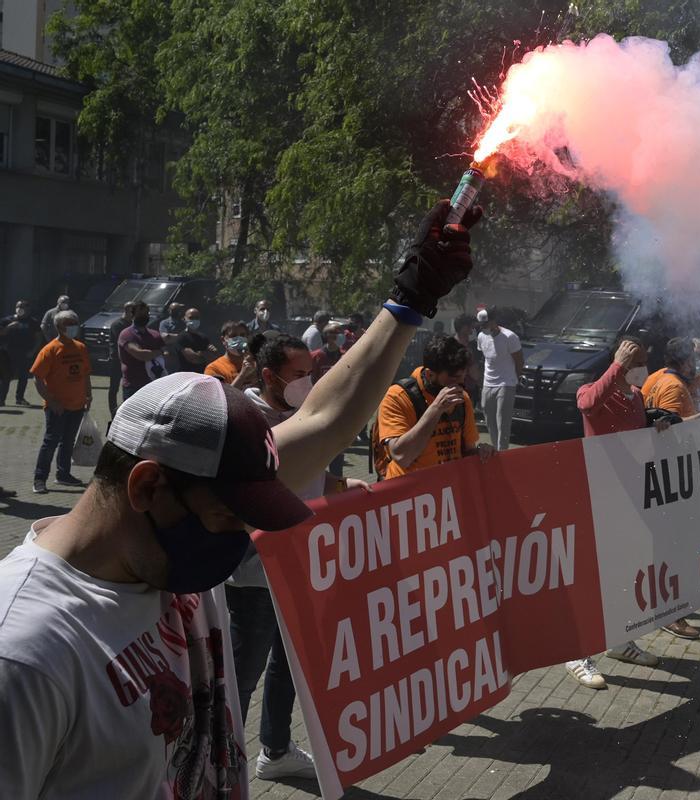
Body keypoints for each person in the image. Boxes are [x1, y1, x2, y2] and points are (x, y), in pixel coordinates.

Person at [0, 198, 482, 798]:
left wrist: (410, 300)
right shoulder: (23, 657)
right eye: (230, 516)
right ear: (147, 486)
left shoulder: (165, 545)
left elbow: (327, 418)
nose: (241, 537)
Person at [226, 333, 367, 780]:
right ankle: (222, 763)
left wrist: (343, 489)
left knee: (289, 664)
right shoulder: (242, 420)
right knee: (242, 676)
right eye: (299, 375)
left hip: (301, 564)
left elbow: (307, 477)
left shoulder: (301, 414)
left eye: (312, 373)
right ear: (268, 376)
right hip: (254, 571)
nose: (310, 382)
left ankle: (276, 749)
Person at [565, 336, 670, 688]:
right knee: (594, 576)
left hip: (631, 496)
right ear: (624, 364)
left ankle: (621, 641)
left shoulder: (637, 397)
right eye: (638, 363)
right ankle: (577, 652)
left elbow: (635, 437)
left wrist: (655, 429)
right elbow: (587, 404)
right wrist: (617, 367)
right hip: (599, 496)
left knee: (627, 570)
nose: (644, 369)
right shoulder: (596, 390)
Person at [643, 337, 700, 639]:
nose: (697, 364)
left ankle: (671, 607)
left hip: (666, 478)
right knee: (681, 546)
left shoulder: (655, 378)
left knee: (673, 545)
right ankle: (673, 614)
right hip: (674, 478)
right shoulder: (675, 387)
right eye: (693, 359)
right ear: (685, 361)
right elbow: (668, 429)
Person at [374, 334, 493, 480]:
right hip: (408, 493)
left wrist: (481, 452)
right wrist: (436, 409)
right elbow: (402, 456)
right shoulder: (398, 397)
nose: (461, 384)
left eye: (463, 377)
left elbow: (466, 451)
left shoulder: (462, 398)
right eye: (454, 378)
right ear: (430, 375)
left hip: (445, 490)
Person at [29, 310, 91, 494]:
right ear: (59, 327)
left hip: (77, 405)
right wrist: (51, 400)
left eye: (75, 322)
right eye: (70, 324)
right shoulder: (50, 349)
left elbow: (85, 373)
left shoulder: (80, 347)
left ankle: (63, 475)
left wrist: (88, 394)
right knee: (50, 442)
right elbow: (37, 378)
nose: (74, 327)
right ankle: (39, 479)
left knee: (68, 441)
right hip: (58, 408)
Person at [476, 308, 523, 450]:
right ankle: (495, 450)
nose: (483, 328)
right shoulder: (481, 336)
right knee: (489, 420)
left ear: (493, 321)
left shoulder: (510, 337)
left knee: (502, 420)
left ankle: (503, 451)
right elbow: (485, 359)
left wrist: (516, 379)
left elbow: (519, 361)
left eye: (486, 324)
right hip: (488, 383)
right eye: (481, 325)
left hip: (506, 382)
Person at [118, 301, 168, 401]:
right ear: (133, 314)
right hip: (133, 385)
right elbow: (141, 355)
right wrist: (159, 352)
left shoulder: (155, 335)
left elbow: (167, 353)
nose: (144, 316)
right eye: (140, 313)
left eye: (146, 313)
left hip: (154, 385)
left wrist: (158, 353)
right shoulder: (127, 334)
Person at [0, 300, 40, 406]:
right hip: (7, 353)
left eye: (23, 307)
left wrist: (33, 351)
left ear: (28, 309)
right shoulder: (7, 320)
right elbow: (1, 333)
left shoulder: (33, 322)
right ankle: (1, 399)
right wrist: (9, 327)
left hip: (25, 353)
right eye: (18, 306)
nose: (20, 309)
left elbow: (38, 337)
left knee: (23, 377)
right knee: (5, 377)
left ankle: (20, 398)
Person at [205, 321, 257, 389]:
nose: (239, 339)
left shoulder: (256, 363)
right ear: (223, 340)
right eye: (233, 336)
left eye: (242, 335)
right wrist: (242, 375)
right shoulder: (214, 369)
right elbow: (222, 397)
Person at [106, 301, 136, 415]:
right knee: (114, 388)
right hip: (116, 360)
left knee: (128, 385)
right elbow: (123, 342)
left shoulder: (132, 324)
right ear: (127, 311)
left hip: (129, 360)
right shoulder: (117, 324)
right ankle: (113, 412)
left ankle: (126, 411)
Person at [177, 307, 220, 374]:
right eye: (191, 318)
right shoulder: (182, 337)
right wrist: (206, 354)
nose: (194, 320)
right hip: (187, 375)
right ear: (184, 319)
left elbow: (214, 358)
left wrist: (203, 354)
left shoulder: (203, 337)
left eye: (196, 318)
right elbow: (194, 359)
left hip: (204, 374)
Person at [155, 303, 188, 373]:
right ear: (169, 311)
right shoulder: (164, 323)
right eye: (174, 310)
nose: (177, 311)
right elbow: (165, 338)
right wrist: (182, 337)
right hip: (171, 356)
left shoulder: (184, 323)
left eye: (178, 309)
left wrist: (174, 337)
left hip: (184, 355)